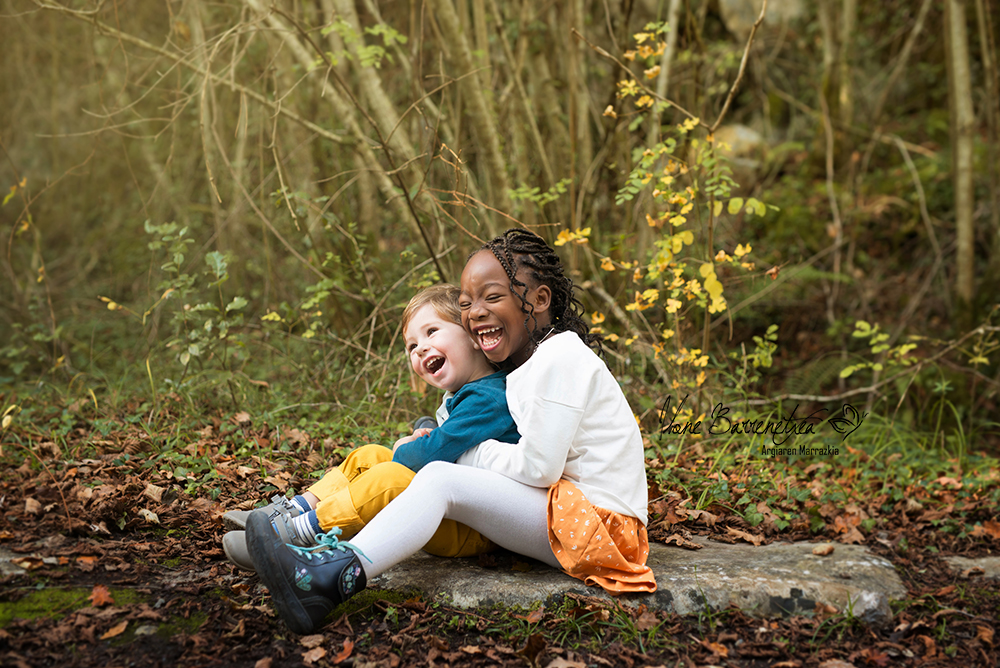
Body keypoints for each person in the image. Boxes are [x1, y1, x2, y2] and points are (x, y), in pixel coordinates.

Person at [247, 229, 655, 635]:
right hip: (567, 511)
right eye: (465, 304)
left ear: (539, 300)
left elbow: (539, 468)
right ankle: (313, 546)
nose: (476, 311)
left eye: (492, 297)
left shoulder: (560, 356)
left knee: (440, 477)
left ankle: (332, 577)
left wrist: (463, 453)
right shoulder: (525, 365)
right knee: (433, 473)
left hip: (602, 525)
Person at [222, 284, 519, 570]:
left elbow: (429, 456)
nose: (419, 349)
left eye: (431, 331)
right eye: (412, 345)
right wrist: (424, 439)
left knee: (389, 476)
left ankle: (298, 535)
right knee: (369, 456)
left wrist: (411, 449)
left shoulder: (488, 399)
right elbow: (450, 445)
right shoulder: (468, 393)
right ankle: (295, 510)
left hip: (477, 528)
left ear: (471, 334)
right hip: (454, 508)